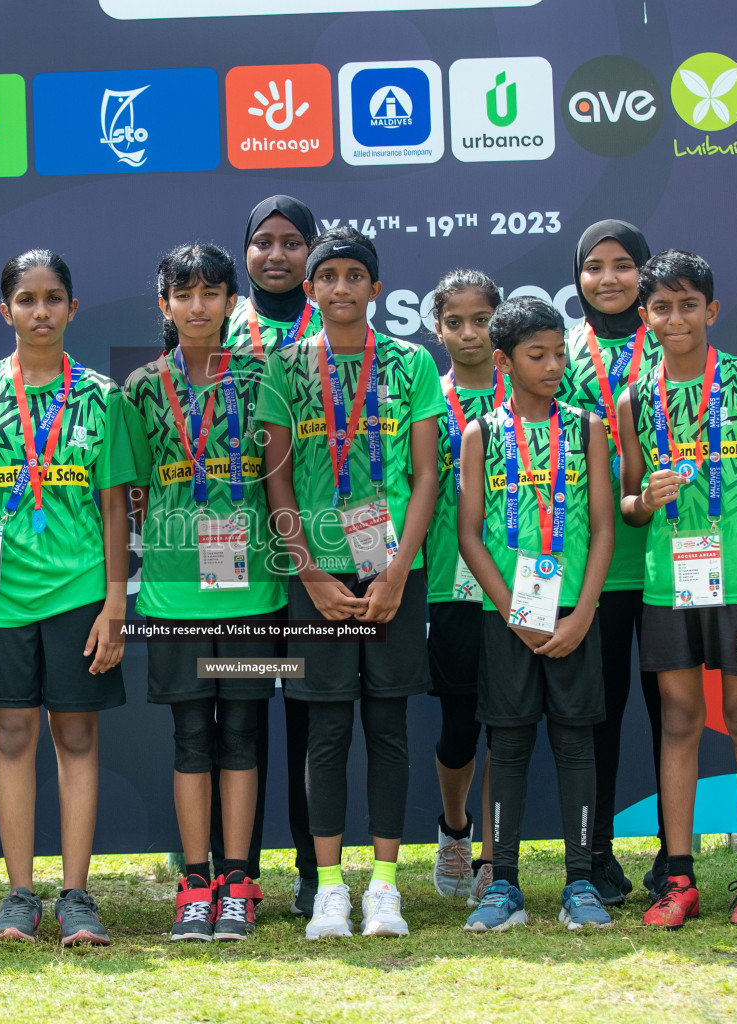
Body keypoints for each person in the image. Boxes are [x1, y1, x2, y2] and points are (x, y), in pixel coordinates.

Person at [0, 250, 136, 947]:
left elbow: (116, 507)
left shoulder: (101, 396)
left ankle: (76, 895)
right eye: (27, 299)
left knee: (76, 736)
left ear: (73, 308)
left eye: (54, 298)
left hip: (79, 592)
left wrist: (116, 601)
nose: (41, 311)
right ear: (6, 311)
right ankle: (20, 895)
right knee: (13, 736)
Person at [261, 226, 444, 940]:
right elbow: (274, 479)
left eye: (353, 276)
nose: (340, 288)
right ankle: (332, 888)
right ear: (309, 291)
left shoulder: (409, 364)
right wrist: (308, 573)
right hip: (319, 575)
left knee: (390, 728)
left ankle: (387, 888)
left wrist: (399, 572)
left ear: (375, 288)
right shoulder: (284, 367)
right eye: (327, 276)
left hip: (396, 570)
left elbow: (427, 473)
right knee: (327, 732)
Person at [616, 251, 737, 929]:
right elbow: (628, 502)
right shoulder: (633, 397)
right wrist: (644, 500)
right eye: (662, 306)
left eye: (689, 305)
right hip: (667, 585)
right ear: (644, 316)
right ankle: (677, 877)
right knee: (680, 720)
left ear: (711, 311)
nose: (675, 317)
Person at [122, 243, 283, 941]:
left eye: (211, 294)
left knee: (242, 731)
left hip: (254, 596)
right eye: (183, 294)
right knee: (191, 736)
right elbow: (132, 495)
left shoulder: (262, 376)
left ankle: (239, 879)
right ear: (165, 305)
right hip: (171, 598)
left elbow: (278, 479)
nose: (197, 306)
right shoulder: (139, 387)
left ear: (229, 303)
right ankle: (195, 883)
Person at [456, 296, 616, 932]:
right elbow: (470, 535)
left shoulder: (588, 428)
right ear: (504, 361)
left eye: (559, 353)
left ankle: (580, 882)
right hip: (510, 615)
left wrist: (583, 616)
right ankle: (504, 885)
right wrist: (510, 609)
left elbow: (603, 529)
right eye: (537, 355)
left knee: (576, 742)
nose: (553, 366)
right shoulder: (481, 434)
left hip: (575, 611)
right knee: (510, 743)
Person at [557, 220, 668, 901]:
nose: (608, 278)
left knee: (670, 714)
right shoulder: (562, 348)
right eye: (593, 266)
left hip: (663, 562)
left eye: (624, 265)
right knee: (597, 715)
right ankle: (595, 853)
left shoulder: (673, 338)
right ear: (578, 278)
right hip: (590, 564)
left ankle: (671, 852)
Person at [225, 194, 324, 912]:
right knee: (246, 709)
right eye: (264, 242)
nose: (278, 255)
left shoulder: (340, 328)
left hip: (319, 555)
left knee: (314, 711)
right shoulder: (215, 327)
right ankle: (241, 870)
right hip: (239, 556)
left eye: (294, 242)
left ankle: (315, 868)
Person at [423, 269, 504, 904]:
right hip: (447, 589)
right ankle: (454, 830)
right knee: (458, 728)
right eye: (455, 321)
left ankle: (493, 857)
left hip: (518, 585)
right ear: (437, 327)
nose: (469, 332)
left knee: (508, 723)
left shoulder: (525, 392)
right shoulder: (427, 394)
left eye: (481, 320)